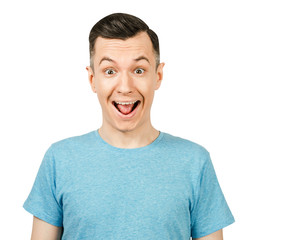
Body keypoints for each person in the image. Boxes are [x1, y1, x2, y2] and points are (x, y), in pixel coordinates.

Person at [23, 13, 235, 240]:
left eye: (139, 70)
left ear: (158, 76)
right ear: (93, 79)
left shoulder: (195, 162)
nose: (125, 87)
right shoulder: (59, 159)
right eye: (110, 71)